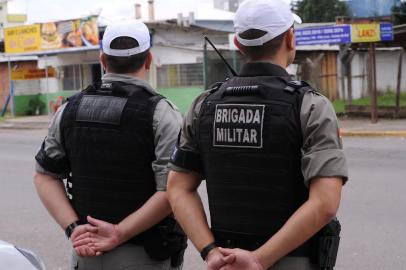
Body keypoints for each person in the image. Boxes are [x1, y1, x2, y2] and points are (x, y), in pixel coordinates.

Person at [167, 0, 348, 269]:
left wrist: (210, 252)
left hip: (226, 263)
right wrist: (257, 259)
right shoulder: (310, 106)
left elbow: (178, 188)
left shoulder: (203, 105)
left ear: (238, 45)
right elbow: (324, 203)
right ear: (290, 38)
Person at [34, 20, 186, 270]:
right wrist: (119, 232)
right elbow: (172, 190)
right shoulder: (161, 113)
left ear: (103, 60)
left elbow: (44, 176)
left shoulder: (69, 109)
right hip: (144, 256)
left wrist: (74, 229)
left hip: (86, 256)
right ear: (148, 60)